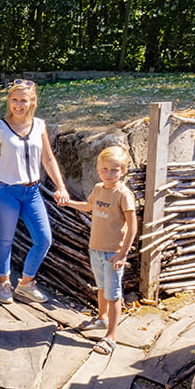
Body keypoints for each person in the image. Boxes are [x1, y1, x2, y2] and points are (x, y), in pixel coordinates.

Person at [0, 78, 72, 304]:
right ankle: (4, 281)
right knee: (5, 240)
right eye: (14, 99)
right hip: (5, 192)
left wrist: (61, 186)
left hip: (32, 192)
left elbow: (49, 159)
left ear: (32, 102)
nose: (18, 105)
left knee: (43, 239)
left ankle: (25, 282)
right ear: (9, 101)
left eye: (23, 100)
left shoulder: (39, 126)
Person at [63, 146, 138, 354]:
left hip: (113, 253)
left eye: (114, 170)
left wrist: (123, 253)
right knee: (102, 288)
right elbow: (88, 207)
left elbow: (133, 225)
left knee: (113, 294)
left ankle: (111, 336)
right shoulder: (98, 189)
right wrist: (69, 203)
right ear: (98, 169)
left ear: (123, 170)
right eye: (104, 169)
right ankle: (102, 318)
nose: (108, 173)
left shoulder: (123, 195)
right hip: (95, 249)